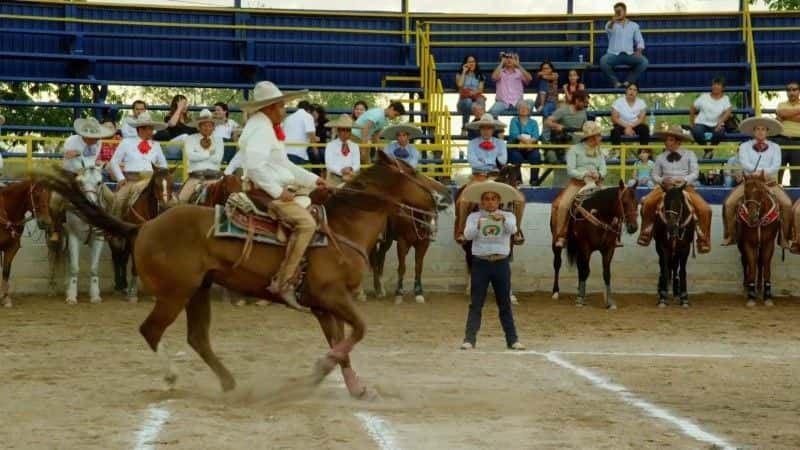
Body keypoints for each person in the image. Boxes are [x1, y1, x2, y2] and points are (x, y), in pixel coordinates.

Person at [235, 81, 329, 310]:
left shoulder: (265, 126)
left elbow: (283, 163)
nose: (284, 110)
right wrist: (279, 192)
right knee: (306, 224)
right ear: (270, 107)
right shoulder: (260, 128)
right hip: (265, 193)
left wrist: (312, 179)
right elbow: (255, 167)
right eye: (281, 106)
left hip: (272, 188)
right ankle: (283, 282)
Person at [459, 181, 525, 351]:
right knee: (476, 303)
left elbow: (513, 230)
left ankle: (512, 340)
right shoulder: (474, 217)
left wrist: (503, 219)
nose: (490, 202)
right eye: (486, 199)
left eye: (493, 199)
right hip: (480, 262)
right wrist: (478, 225)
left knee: (504, 303)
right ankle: (469, 339)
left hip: (501, 262)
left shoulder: (508, 216)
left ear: (499, 201)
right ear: (482, 202)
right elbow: (467, 235)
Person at [637, 125, 712, 253]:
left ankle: (703, 238)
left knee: (705, 209)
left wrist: (684, 180)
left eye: (670, 140)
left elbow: (695, 173)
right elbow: (654, 175)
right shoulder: (661, 157)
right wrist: (662, 180)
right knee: (647, 203)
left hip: (685, 187)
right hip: (664, 187)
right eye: (666, 140)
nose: (667, 142)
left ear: (678, 141)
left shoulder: (689, 154)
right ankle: (646, 231)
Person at [722, 117, 793, 248]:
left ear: (767, 132)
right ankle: (730, 235)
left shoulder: (776, 147)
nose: (760, 132)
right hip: (749, 182)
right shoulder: (744, 146)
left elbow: (776, 165)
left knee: (787, 204)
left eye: (763, 129)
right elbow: (744, 163)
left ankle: (784, 237)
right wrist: (755, 173)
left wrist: (762, 173)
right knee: (729, 203)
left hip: (769, 182)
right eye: (757, 129)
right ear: (753, 132)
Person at [455, 114, 524, 244]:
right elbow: (473, 162)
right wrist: (491, 161)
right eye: (483, 128)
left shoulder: (500, 143)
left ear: (493, 130)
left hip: (497, 176)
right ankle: (461, 231)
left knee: (520, 200)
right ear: (480, 129)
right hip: (478, 176)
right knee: (463, 200)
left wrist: (483, 160)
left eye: (489, 128)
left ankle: (517, 231)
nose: (486, 131)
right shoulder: (472, 144)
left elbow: (502, 160)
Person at [50, 117, 115, 241]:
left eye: (97, 136)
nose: (97, 139)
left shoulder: (98, 142)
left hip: (90, 176)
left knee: (111, 198)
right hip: (71, 175)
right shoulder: (71, 141)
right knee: (55, 199)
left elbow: (93, 160)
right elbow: (67, 156)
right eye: (95, 137)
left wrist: (99, 167)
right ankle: (56, 229)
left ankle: (108, 227)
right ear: (85, 135)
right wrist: (72, 155)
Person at [553, 121, 607, 248]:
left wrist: (598, 174)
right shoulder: (574, 150)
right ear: (592, 137)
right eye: (599, 135)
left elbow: (604, 168)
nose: (601, 137)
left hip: (596, 183)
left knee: (616, 200)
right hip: (577, 184)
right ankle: (561, 235)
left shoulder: (599, 151)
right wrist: (584, 174)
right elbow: (570, 170)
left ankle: (612, 235)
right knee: (563, 205)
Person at [108, 112, 169, 218]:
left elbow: (164, 164)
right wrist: (121, 179)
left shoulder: (156, 145)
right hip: (131, 181)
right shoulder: (126, 142)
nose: (152, 132)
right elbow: (114, 162)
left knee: (170, 202)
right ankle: (114, 229)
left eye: (151, 128)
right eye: (150, 129)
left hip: (151, 182)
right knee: (118, 200)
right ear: (141, 129)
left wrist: (160, 176)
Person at [177, 109, 225, 203]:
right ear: (199, 127)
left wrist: (198, 155)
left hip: (215, 178)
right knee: (181, 200)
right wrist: (209, 154)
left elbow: (218, 159)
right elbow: (190, 156)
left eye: (210, 125)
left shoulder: (219, 140)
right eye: (204, 125)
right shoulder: (190, 138)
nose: (207, 128)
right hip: (195, 177)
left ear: (213, 127)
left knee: (227, 202)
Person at [600, 2, 647, 88]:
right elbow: (608, 29)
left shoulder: (634, 25)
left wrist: (639, 51)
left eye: (619, 11)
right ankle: (615, 82)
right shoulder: (610, 24)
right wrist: (613, 21)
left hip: (629, 55)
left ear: (625, 12)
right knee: (603, 61)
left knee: (644, 62)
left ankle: (628, 81)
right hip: (613, 55)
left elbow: (640, 41)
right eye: (616, 11)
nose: (617, 13)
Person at [689, 77, 732, 158]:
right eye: (714, 84)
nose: (715, 86)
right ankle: (708, 151)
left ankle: (709, 150)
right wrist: (691, 122)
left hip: (716, 124)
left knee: (720, 132)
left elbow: (728, 111)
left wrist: (720, 123)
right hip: (701, 123)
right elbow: (693, 107)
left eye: (718, 85)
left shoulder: (725, 98)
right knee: (696, 131)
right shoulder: (704, 96)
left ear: (723, 88)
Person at [544, 90, 590, 163]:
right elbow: (547, 122)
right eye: (584, 102)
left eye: (587, 103)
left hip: (579, 143)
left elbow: (585, 127)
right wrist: (557, 125)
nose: (586, 105)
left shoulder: (583, 111)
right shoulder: (563, 110)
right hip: (565, 143)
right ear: (577, 100)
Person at [507, 100, 541, 185]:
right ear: (517, 110)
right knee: (516, 157)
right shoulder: (514, 120)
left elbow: (536, 136)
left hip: (530, 147)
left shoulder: (534, 122)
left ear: (529, 111)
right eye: (521, 108)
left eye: (526, 108)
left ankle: (534, 180)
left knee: (536, 156)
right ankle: (518, 180)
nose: (523, 109)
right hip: (516, 146)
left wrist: (529, 143)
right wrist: (526, 142)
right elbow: (514, 134)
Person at [488, 51, 532, 116]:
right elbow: (494, 77)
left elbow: (529, 79)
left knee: (530, 102)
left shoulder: (519, 72)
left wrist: (518, 65)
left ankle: (523, 125)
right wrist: (502, 62)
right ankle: (498, 125)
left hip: (517, 102)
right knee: (492, 112)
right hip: (502, 102)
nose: (509, 59)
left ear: (515, 60)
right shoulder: (500, 71)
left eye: (511, 58)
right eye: (507, 58)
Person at [323, 114, 361, 186]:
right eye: (343, 130)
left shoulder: (355, 146)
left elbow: (357, 164)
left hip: (352, 175)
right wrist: (341, 171)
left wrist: (350, 169)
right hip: (335, 176)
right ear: (338, 131)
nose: (346, 132)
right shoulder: (330, 145)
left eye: (348, 130)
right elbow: (329, 164)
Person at [775, 81, 800, 187]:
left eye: (794, 89)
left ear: (799, 91)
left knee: (797, 175)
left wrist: (786, 116)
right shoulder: (781, 104)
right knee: (777, 172)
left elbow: (783, 115)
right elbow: (781, 113)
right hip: (781, 140)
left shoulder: (783, 107)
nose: (791, 92)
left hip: (798, 142)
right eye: (789, 90)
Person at [610, 82, 649, 147]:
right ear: (626, 91)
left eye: (634, 90)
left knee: (644, 129)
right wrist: (627, 127)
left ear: (637, 93)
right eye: (630, 89)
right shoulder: (618, 101)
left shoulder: (641, 102)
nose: (632, 92)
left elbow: (642, 119)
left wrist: (630, 127)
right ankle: (616, 154)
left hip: (636, 126)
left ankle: (643, 153)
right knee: (614, 131)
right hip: (621, 125)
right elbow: (614, 118)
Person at [282, 100, 320, 165]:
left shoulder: (288, 118)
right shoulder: (308, 116)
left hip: (284, 152)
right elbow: (311, 134)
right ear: (308, 109)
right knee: (296, 174)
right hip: (297, 153)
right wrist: (316, 152)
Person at [456, 55, 486, 134]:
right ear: (465, 64)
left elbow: (480, 89)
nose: (471, 63)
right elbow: (459, 85)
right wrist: (464, 71)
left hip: (475, 101)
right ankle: (465, 127)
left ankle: (480, 128)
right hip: (463, 102)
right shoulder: (460, 74)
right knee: (469, 102)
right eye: (469, 62)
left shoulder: (480, 75)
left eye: (473, 61)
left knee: (481, 101)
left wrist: (472, 92)